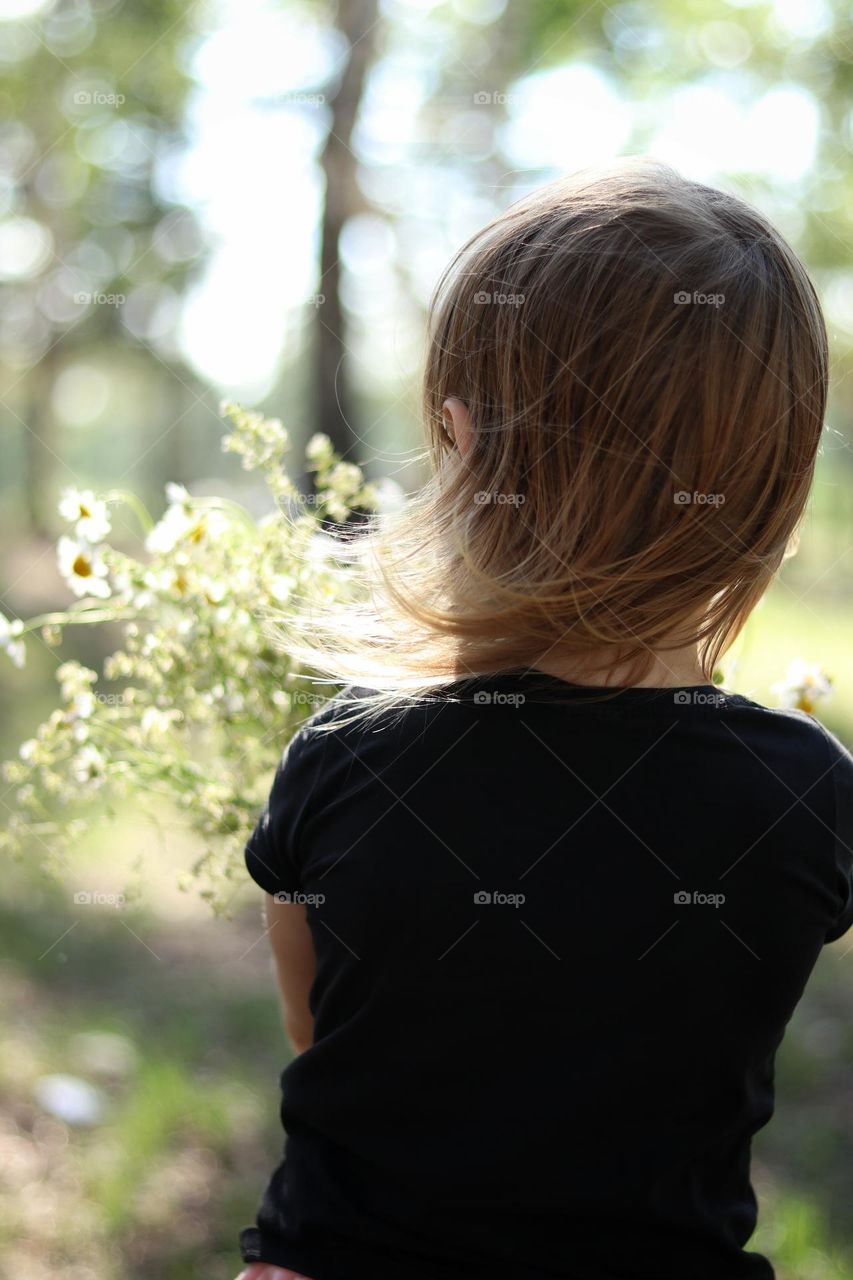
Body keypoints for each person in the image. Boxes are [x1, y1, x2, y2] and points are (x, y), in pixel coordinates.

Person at [235, 159, 853, 1280]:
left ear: (461, 441)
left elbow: (317, 1032)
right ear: (775, 483)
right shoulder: (807, 795)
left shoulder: (346, 760)